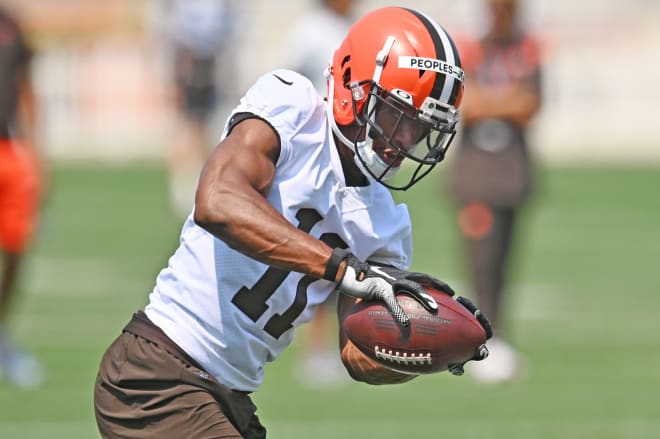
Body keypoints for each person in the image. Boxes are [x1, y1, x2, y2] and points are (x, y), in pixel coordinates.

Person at [94, 7, 489, 438]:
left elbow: (358, 356)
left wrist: (431, 344)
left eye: (421, 127)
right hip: (157, 371)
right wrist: (341, 267)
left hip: (225, 396)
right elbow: (217, 200)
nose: (406, 141)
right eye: (398, 115)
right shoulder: (293, 108)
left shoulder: (387, 224)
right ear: (353, 85)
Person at [448, 0, 543, 383]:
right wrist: (504, 101)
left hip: (511, 172)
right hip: (476, 175)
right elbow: (462, 103)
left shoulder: (527, 48)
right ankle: (480, 340)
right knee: (480, 262)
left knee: (504, 260)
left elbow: (530, 103)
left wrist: (491, 103)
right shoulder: (470, 48)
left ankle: (496, 336)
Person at [281, 0, 359, 388]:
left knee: (341, 248)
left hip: (343, 153)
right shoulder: (312, 30)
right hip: (315, 155)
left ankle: (331, 348)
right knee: (321, 252)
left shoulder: (350, 25)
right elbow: (293, 82)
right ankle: (316, 350)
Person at [0, 5, 47, 389]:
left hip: (10, 152)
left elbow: (26, 87)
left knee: (15, 251)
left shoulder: (13, 25)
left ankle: (1, 335)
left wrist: (35, 152)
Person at [158, 0, 237, 218]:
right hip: (190, 59)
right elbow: (178, 30)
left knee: (204, 124)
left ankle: (201, 178)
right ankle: (182, 181)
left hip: (210, 60)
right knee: (187, 123)